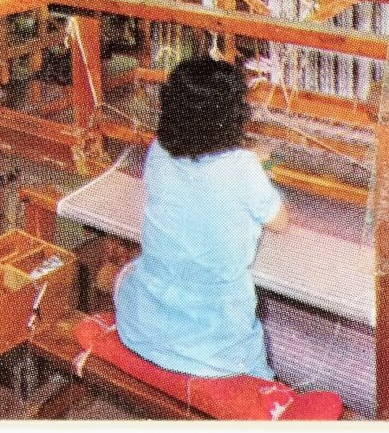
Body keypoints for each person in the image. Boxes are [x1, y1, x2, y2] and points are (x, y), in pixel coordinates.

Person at [113, 56, 289, 381]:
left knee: (129, 272)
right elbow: (280, 222)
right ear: (233, 116)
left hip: (144, 326)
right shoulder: (243, 168)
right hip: (216, 347)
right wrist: (257, 164)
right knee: (258, 374)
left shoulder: (158, 151)